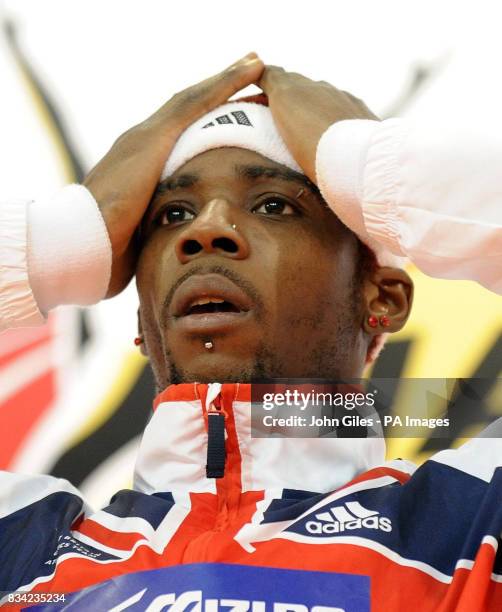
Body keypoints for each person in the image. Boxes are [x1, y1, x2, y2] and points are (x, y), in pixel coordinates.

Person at [0, 54, 500, 611]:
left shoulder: (471, 521)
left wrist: (370, 168)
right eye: (172, 215)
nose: (207, 229)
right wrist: (60, 239)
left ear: (380, 298)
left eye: (274, 204)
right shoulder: (20, 544)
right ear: (143, 321)